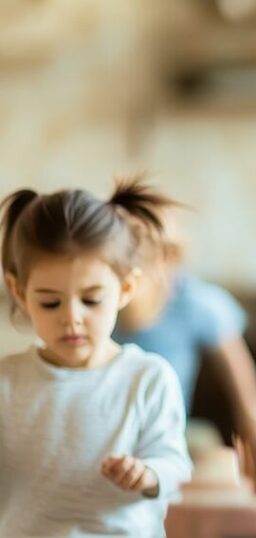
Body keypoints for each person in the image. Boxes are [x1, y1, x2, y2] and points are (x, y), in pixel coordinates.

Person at [0, 180, 192, 536]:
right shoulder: (7, 382)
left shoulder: (147, 378)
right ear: (19, 292)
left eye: (91, 300)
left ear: (126, 289)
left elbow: (176, 467)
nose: (71, 317)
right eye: (50, 302)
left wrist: (147, 474)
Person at [113, 207, 256, 469]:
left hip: (170, 432)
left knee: (211, 452)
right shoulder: (102, 296)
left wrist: (252, 410)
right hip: (108, 426)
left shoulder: (195, 301)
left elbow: (236, 368)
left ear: (172, 256)